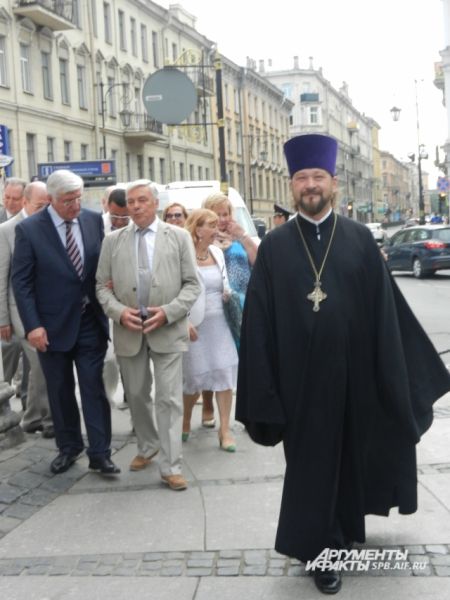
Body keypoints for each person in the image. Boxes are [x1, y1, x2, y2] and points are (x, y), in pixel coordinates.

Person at [235, 133, 450, 595]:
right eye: (301, 178)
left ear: (333, 183)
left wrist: (392, 377)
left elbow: (385, 315)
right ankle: (319, 551)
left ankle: (345, 527)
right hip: (301, 383)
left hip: (355, 379)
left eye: (317, 177)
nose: (309, 185)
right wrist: (265, 387)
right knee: (311, 466)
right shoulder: (274, 247)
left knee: (351, 458)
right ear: (292, 186)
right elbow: (258, 324)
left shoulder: (357, 240)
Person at [12, 169, 120, 476]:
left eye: (79, 198)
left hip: (88, 321)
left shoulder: (91, 220)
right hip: (50, 326)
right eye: (69, 200)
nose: (76, 205)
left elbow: (99, 266)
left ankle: (100, 453)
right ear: (51, 200)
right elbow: (22, 283)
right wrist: (32, 326)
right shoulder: (31, 230)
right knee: (59, 391)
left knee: (93, 387)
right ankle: (69, 447)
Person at [96, 179, 200, 491]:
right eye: (131, 202)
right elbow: (101, 285)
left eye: (142, 200)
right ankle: (148, 446)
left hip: (167, 328)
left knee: (168, 398)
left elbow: (192, 284)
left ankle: (171, 466)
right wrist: (118, 312)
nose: (136, 206)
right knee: (138, 395)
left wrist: (169, 311)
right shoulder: (113, 241)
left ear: (154, 203)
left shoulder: (178, 237)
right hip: (130, 330)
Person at [182, 209, 238, 451]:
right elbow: (175, 289)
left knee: (224, 376)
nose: (217, 229)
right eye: (211, 225)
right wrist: (183, 320)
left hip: (220, 323)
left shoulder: (216, 252)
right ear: (197, 229)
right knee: (194, 378)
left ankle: (224, 431)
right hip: (195, 325)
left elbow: (223, 280)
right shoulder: (183, 255)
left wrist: (227, 292)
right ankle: (184, 421)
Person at [200, 193, 259, 427]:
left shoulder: (238, 237)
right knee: (211, 358)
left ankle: (247, 410)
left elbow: (258, 261)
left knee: (244, 359)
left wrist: (242, 236)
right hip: (215, 305)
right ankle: (206, 404)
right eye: (217, 214)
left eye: (226, 214)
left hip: (243, 304)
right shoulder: (204, 240)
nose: (223, 219)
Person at [0, 181, 53, 437]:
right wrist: (3, 319)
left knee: (37, 368)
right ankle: (50, 419)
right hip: (19, 314)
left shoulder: (50, 225)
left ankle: (31, 417)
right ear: (26, 203)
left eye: (47, 205)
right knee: (43, 364)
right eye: (39, 206)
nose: (44, 210)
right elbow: (2, 279)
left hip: (46, 310)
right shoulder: (7, 230)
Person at [0, 177, 29, 410]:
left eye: (15, 198)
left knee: (31, 359)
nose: (9, 202)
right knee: (7, 351)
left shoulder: (32, 223)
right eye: (6, 197)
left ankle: (29, 400)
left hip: (26, 304)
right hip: (5, 303)